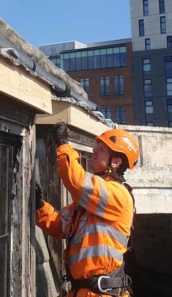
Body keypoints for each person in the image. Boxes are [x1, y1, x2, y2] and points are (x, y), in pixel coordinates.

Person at [36, 122, 139, 297]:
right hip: (81, 291)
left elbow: (77, 181)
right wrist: (39, 206)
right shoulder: (89, 203)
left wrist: (62, 144)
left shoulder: (118, 195)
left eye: (101, 149)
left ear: (115, 161)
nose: (94, 150)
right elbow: (60, 225)